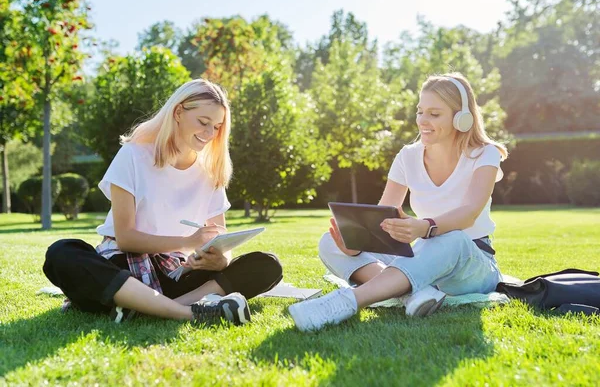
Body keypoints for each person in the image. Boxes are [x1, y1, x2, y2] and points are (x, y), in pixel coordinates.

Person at [44, 79, 283, 326]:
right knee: (61, 252)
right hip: (122, 270)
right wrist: (188, 242)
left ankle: (149, 308)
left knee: (268, 264)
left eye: (217, 126)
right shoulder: (134, 154)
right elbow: (126, 238)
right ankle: (189, 312)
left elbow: (219, 236)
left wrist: (220, 259)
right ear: (178, 112)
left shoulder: (211, 171)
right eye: (203, 122)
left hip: (175, 273)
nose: (210, 134)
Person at [289, 73, 507, 332]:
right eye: (420, 111)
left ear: (461, 117)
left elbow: (469, 213)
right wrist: (357, 247)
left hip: (471, 262)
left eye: (434, 114)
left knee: (453, 238)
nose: (423, 121)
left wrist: (424, 227)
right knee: (330, 242)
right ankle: (415, 295)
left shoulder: (485, 154)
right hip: (423, 252)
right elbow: (383, 220)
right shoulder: (408, 156)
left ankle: (346, 302)